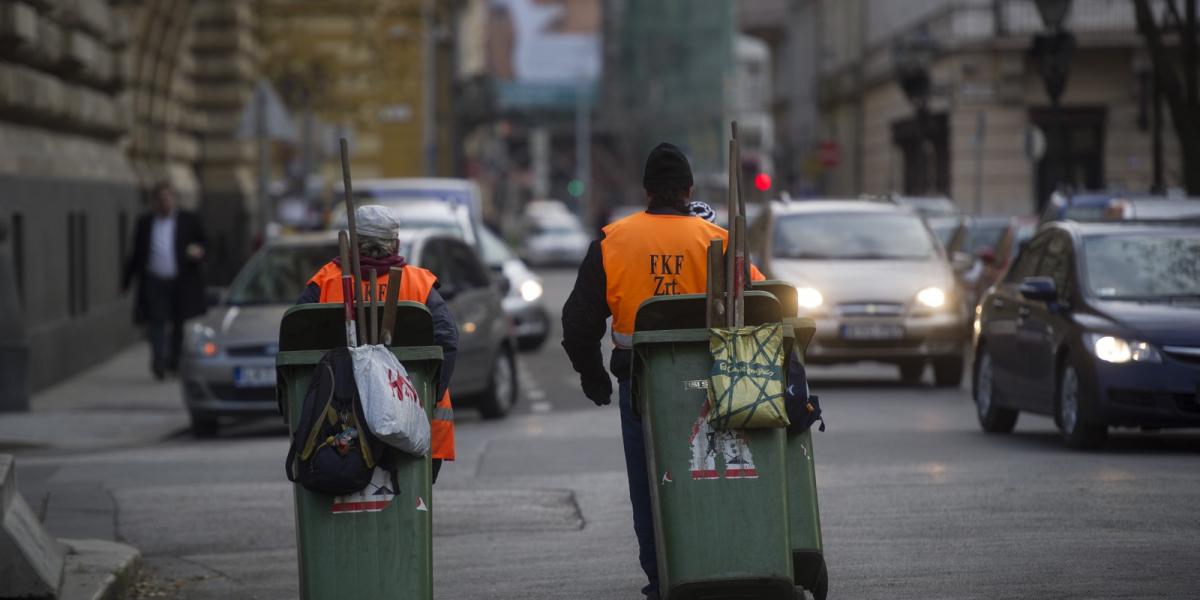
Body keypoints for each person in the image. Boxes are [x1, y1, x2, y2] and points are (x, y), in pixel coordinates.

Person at [561, 143, 763, 599]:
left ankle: (662, 581)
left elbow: (578, 323)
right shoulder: (720, 240)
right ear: (688, 190)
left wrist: (592, 376)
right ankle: (725, 565)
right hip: (720, 385)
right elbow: (763, 303)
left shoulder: (614, 241)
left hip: (644, 387)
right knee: (720, 476)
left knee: (651, 486)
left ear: (646, 191)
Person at [297, 205, 458, 481]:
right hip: (412, 423)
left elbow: (295, 338)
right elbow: (447, 340)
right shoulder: (419, 283)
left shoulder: (326, 281)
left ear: (351, 242)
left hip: (337, 427)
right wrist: (430, 394)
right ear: (395, 242)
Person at [123, 182, 209, 380]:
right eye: (160, 199)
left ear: (174, 199)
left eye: (168, 198)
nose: (165, 203)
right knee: (157, 323)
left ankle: (174, 362)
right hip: (155, 281)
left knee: (178, 323)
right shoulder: (146, 223)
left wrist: (199, 252)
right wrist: (126, 281)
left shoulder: (188, 220)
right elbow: (136, 253)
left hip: (181, 281)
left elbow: (204, 243)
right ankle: (159, 362)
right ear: (154, 202)